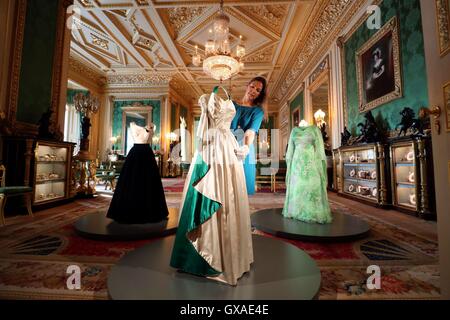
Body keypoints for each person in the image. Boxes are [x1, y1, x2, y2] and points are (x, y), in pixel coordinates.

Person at [170, 86, 253, 286]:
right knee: (213, 190)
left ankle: (229, 255)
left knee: (230, 194)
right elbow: (203, 130)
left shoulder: (231, 99)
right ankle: (208, 253)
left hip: (229, 144)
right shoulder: (207, 98)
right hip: (213, 145)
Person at [106, 122, 169, 224]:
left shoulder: (152, 126)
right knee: (132, 180)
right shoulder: (132, 124)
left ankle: (153, 211)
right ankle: (128, 210)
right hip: (136, 154)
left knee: (149, 182)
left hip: (147, 155)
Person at [282, 122, 332, 224]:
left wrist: (319, 164)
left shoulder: (315, 130)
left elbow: (319, 149)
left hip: (310, 161)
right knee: (297, 185)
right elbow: (290, 150)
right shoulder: (294, 131)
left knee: (311, 184)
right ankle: (296, 210)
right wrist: (290, 164)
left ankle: (312, 211)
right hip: (297, 163)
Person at [230, 77, 267, 195]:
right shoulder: (232, 105)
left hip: (244, 148)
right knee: (226, 186)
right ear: (247, 86)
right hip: (228, 144)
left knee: (241, 189)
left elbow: (250, 132)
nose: (254, 91)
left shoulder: (258, 111)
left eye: (258, 90)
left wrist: (245, 147)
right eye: (252, 87)